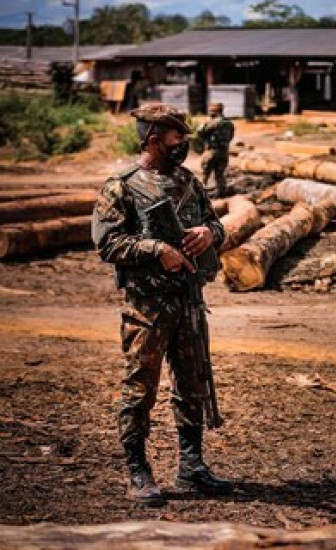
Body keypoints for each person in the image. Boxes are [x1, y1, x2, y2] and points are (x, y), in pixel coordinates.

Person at [91, 103, 232, 507]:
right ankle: (138, 470)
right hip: (147, 308)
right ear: (154, 139)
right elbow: (107, 243)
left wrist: (210, 233)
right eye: (176, 138)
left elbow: (215, 223)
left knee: (192, 385)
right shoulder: (121, 186)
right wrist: (156, 249)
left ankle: (192, 466)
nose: (183, 144)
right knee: (140, 390)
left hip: (189, 302)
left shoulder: (189, 181)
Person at [197, 102, 235, 197]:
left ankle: (200, 194)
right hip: (224, 151)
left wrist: (205, 122)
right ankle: (221, 193)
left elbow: (200, 132)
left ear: (214, 111)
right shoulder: (229, 123)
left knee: (204, 174)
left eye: (210, 111)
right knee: (220, 174)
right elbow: (231, 136)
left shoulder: (212, 122)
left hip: (211, 151)